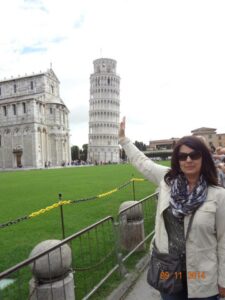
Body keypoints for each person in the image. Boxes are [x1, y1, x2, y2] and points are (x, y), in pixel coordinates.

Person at [119, 117, 225, 300]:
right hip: (169, 272)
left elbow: (224, 241)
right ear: (177, 159)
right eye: (183, 156)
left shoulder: (218, 195)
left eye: (194, 155)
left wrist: (223, 279)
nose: (188, 159)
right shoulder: (167, 181)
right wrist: (124, 141)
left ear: (204, 158)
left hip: (202, 276)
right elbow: (142, 162)